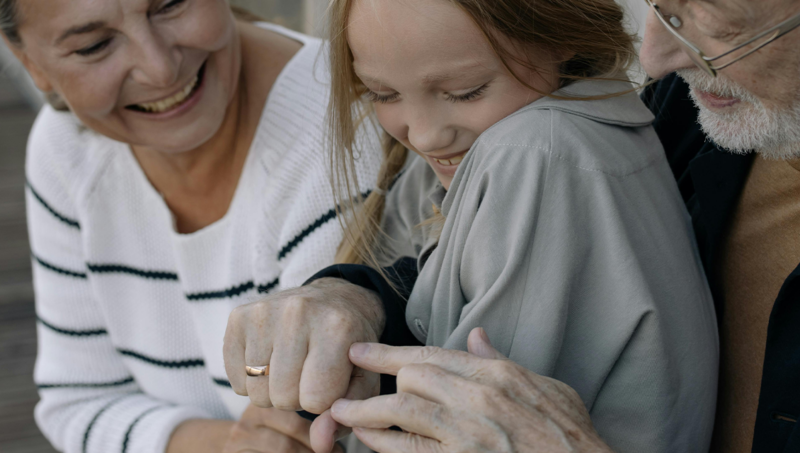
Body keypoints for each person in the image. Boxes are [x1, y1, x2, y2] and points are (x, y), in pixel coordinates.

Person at [290, 0, 800, 452]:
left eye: (721, 26)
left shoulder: (536, 149)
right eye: (379, 93)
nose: (653, 58)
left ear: (559, 41)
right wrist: (356, 297)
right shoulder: (687, 114)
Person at [0, 0, 381, 451]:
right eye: (94, 45)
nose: (160, 70)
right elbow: (77, 402)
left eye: (171, 5)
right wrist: (222, 443)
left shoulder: (347, 132)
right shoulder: (68, 146)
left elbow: (320, 428)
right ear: (30, 62)